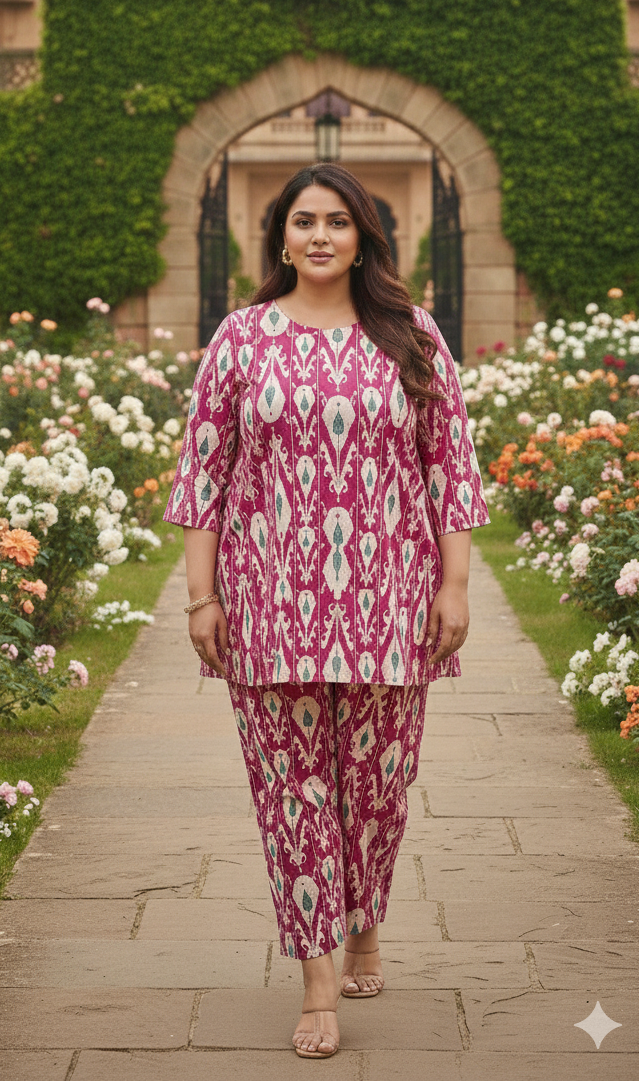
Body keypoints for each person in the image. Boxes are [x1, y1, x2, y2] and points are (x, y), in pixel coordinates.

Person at [164, 163, 489, 1059]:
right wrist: (203, 597)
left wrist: (452, 587)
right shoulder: (240, 339)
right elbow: (204, 475)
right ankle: (316, 982)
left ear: (363, 237)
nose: (319, 236)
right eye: (303, 220)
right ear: (280, 235)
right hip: (271, 605)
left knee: (376, 794)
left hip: (389, 604)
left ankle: (365, 924)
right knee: (293, 795)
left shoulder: (411, 336)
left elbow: (449, 471)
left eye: (338, 222)